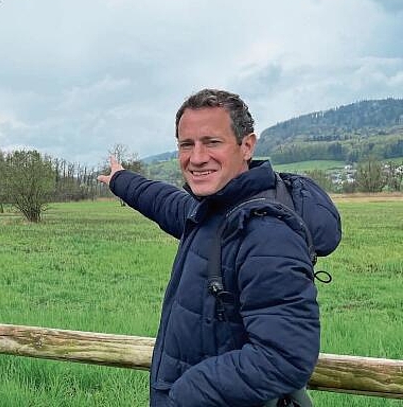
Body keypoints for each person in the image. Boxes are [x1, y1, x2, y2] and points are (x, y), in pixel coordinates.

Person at [97, 88, 341, 406]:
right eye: (187, 144)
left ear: (247, 146)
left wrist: (185, 396)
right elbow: (166, 203)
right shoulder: (216, 211)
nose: (197, 158)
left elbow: (284, 356)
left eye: (212, 142)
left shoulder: (266, 232)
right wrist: (121, 180)